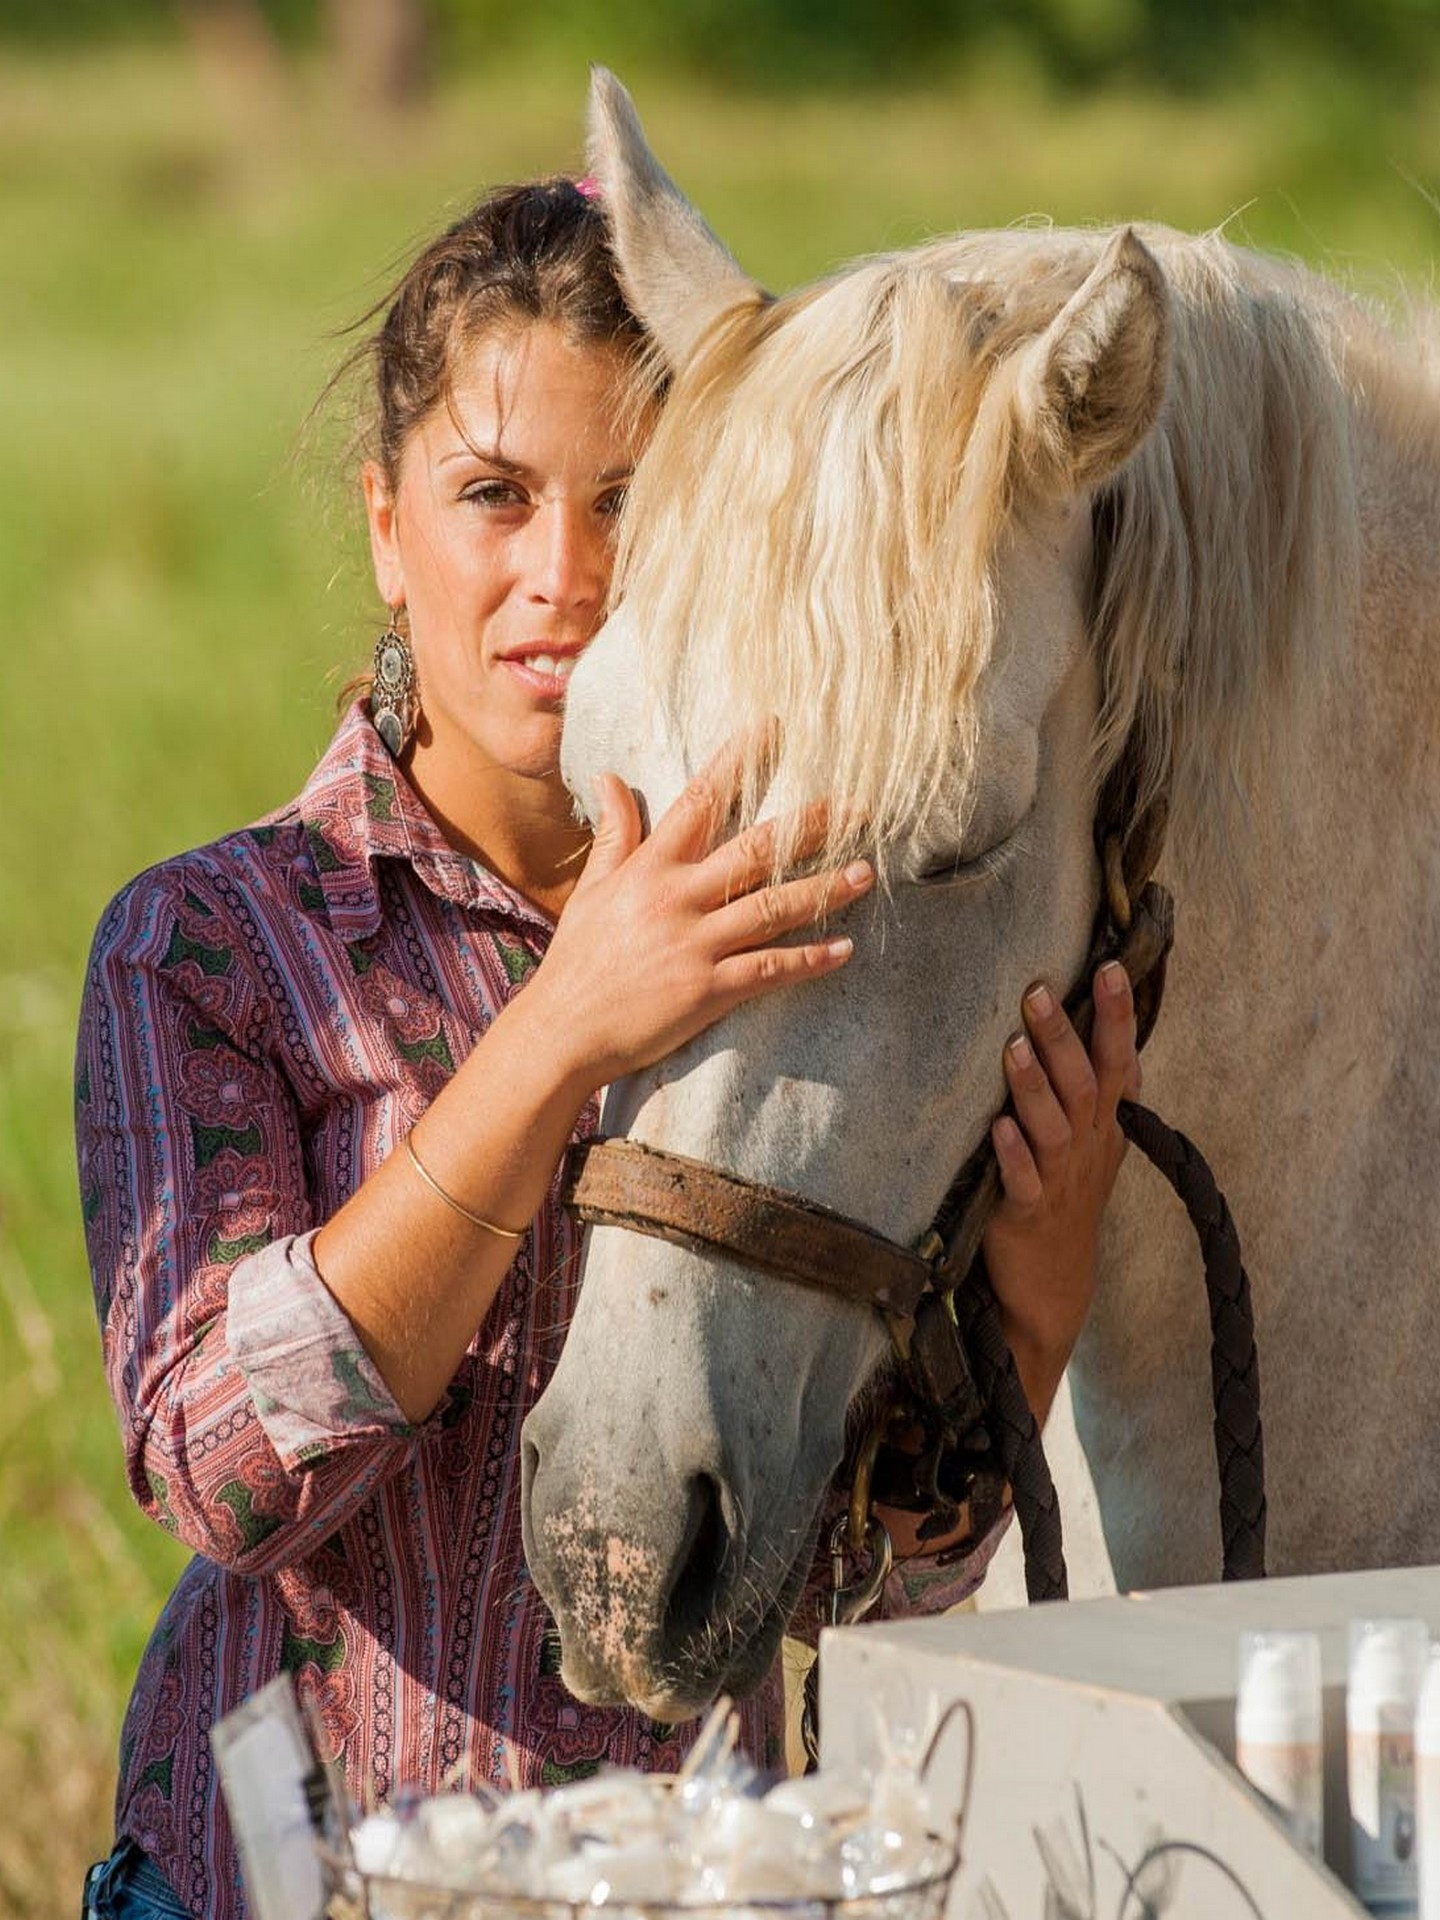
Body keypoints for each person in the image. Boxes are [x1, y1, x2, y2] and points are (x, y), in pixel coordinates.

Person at [75, 176, 1140, 1919]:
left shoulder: (804, 933)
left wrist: (1031, 1306)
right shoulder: (213, 947)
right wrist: (560, 1031)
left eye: (633, 503)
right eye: (491, 496)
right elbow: (225, 1474)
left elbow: (850, 1581)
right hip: (277, 1889)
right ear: (385, 527)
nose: (560, 578)